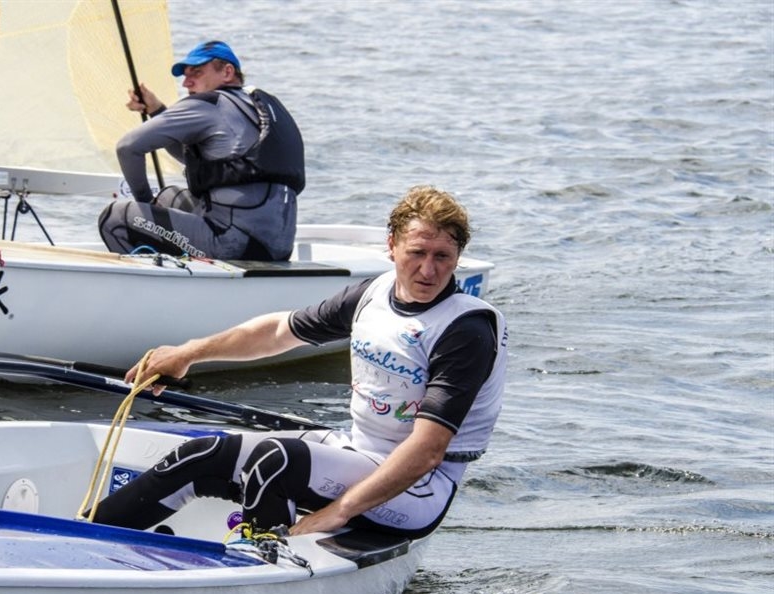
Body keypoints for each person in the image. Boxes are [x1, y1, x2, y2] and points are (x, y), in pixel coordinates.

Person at [89, 186, 508, 540]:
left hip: (420, 488)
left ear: (458, 257)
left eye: (443, 256)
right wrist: (187, 353)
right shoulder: (372, 294)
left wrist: (338, 511)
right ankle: (84, 537)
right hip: (360, 450)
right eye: (417, 252)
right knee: (202, 454)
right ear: (391, 246)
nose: (429, 270)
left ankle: (262, 567)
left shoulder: (465, 331)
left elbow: (428, 451)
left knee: (276, 461)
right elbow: (278, 332)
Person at [99, 40, 305, 261]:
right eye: (185, 75)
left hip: (233, 244)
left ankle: (158, 279)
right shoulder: (256, 106)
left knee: (114, 218)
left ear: (227, 72)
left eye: (196, 72)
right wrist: (157, 110)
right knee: (168, 197)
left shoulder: (208, 103)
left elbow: (128, 147)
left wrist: (144, 203)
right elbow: (199, 159)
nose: (186, 82)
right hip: (278, 247)